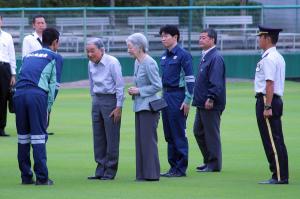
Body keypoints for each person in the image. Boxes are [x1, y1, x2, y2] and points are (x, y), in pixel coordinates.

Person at [14, 27, 63, 185]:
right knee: (39, 137)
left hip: (19, 95)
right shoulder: (55, 57)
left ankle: (26, 177)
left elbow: (21, 74)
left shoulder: (28, 56)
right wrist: (48, 109)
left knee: (23, 138)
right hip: (36, 96)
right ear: (55, 42)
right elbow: (54, 86)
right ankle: (42, 178)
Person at [86, 38, 125, 180]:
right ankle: (100, 169)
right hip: (97, 99)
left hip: (111, 100)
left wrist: (119, 106)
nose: (90, 54)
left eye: (92, 51)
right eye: (88, 51)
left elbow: (120, 85)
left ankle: (110, 170)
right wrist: (93, 99)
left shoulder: (112, 62)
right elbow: (91, 83)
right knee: (98, 136)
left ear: (102, 50)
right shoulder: (90, 63)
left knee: (111, 136)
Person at [159, 25, 195, 177]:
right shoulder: (164, 56)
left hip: (178, 96)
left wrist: (187, 100)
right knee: (168, 133)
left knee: (178, 132)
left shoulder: (183, 55)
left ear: (175, 37)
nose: (163, 38)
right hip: (166, 95)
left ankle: (180, 168)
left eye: (166, 35)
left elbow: (190, 79)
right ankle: (172, 167)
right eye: (161, 36)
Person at [254, 25, 288, 185]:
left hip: (267, 100)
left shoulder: (268, 58)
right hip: (273, 99)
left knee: (272, 141)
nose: (258, 39)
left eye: (260, 36)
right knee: (277, 139)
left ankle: (279, 176)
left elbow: (269, 83)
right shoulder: (277, 56)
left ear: (267, 38)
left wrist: (267, 107)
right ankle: (280, 174)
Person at [126, 33, 162, 181]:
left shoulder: (149, 62)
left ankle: (152, 174)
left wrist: (139, 90)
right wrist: (135, 90)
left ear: (139, 47)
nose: (128, 50)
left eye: (129, 47)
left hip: (149, 108)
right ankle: (142, 174)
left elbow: (157, 85)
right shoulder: (137, 62)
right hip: (139, 106)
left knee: (148, 141)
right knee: (141, 141)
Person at [192, 28, 226, 172]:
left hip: (210, 103)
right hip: (201, 102)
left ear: (212, 40)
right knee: (198, 131)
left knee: (211, 133)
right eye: (200, 37)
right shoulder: (206, 56)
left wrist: (211, 97)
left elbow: (216, 81)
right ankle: (208, 160)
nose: (200, 40)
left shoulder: (215, 57)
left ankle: (214, 164)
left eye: (204, 37)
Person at [0, 15, 16, 137]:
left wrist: (13, 74)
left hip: (4, 68)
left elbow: (12, 56)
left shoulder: (7, 36)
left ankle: (1, 128)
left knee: (3, 99)